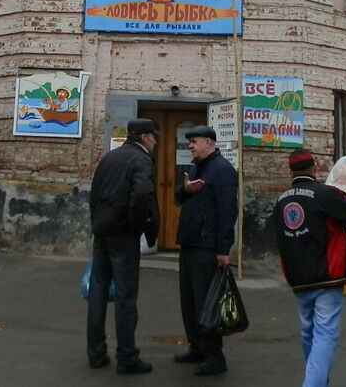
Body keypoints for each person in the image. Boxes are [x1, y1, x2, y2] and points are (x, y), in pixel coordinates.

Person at [272, 149, 346, 387]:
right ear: (314, 168)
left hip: (298, 277)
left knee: (309, 333)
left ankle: (317, 380)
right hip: (327, 275)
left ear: (290, 171)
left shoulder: (281, 200)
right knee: (326, 334)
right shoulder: (324, 194)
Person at [86, 118, 159, 374]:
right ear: (144, 138)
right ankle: (127, 357)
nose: (155, 142)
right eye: (153, 137)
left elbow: (94, 193)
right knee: (126, 298)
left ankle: (96, 354)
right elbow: (141, 194)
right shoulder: (141, 159)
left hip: (102, 232)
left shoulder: (110, 157)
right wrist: (135, 224)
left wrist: (98, 221)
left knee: (98, 293)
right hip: (123, 236)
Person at [173, 125, 238, 377]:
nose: (190, 146)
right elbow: (179, 197)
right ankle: (196, 347)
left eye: (194, 141)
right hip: (189, 242)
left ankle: (214, 355)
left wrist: (224, 248)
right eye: (189, 142)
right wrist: (185, 189)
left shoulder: (222, 170)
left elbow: (227, 212)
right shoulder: (196, 167)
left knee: (205, 303)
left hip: (207, 247)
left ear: (209, 143)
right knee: (188, 301)